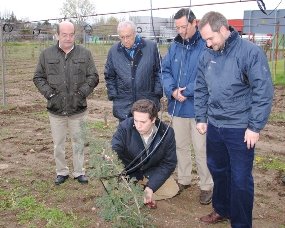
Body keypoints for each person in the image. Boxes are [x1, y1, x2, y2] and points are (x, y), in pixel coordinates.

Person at [195, 11, 274, 227]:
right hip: (215, 125)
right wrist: (201, 117)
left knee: (240, 180)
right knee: (218, 171)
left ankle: (240, 223)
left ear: (223, 29)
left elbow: (263, 91)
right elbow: (201, 88)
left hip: (240, 128)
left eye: (211, 38)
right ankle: (221, 209)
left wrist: (255, 126)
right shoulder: (206, 55)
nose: (209, 44)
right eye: (205, 40)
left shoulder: (250, 53)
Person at [33, 21, 99, 185]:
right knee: (58, 144)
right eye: (65, 34)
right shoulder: (46, 54)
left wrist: (81, 93)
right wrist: (50, 95)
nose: (68, 38)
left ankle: (79, 172)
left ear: (74, 35)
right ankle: (61, 172)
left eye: (71, 34)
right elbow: (38, 77)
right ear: (57, 35)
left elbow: (93, 77)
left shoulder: (84, 53)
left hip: (78, 109)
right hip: (56, 109)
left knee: (79, 142)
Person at [160, 8, 213, 205]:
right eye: (178, 27)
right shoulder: (174, 46)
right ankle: (184, 179)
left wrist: (187, 90)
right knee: (180, 146)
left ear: (194, 23)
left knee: (201, 148)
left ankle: (207, 185)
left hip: (198, 108)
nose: (181, 31)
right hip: (177, 107)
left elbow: (208, 74)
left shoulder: (205, 45)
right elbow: (164, 71)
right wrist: (172, 90)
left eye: (184, 26)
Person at [112, 99, 179, 208]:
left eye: (143, 122)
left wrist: (151, 187)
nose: (138, 126)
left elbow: (169, 163)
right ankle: (141, 195)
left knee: (172, 189)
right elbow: (115, 148)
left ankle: (139, 194)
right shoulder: (125, 127)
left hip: (151, 173)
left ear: (153, 119)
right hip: (129, 173)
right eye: (135, 120)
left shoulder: (166, 132)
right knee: (110, 185)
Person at [104, 20, 163, 122]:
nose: (125, 40)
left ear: (135, 33)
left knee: (147, 135)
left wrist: (156, 94)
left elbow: (160, 71)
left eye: (128, 36)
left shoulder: (151, 47)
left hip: (147, 102)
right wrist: (115, 96)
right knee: (126, 136)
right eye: (122, 37)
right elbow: (110, 76)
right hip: (124, 105)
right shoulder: (114, 51)